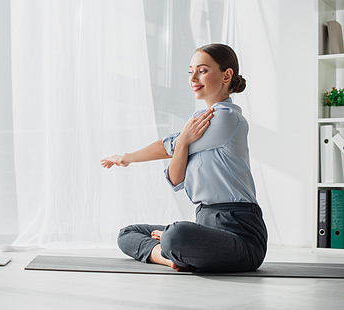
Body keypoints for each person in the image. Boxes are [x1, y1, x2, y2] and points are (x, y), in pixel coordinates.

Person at [100, 44, 267, 273]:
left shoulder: (227, 119)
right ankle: (170, 258)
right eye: (191, 71)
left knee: (177, 234)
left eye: (203, 70)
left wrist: (175, 144)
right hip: (204, 222)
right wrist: (181, 142)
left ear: (227, 75)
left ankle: (171, 244)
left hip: (241, 233)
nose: (194, 78)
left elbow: (168, 148)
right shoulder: (197, 120)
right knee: (127, 234)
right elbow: (175, 178)